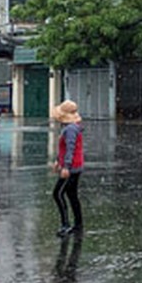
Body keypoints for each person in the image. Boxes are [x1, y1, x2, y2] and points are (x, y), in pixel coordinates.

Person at [50, 100, 85, 237]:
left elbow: (70, 149)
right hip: (75, 166)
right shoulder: (71, 127)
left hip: (71, 168)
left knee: (58, 194)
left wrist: (66, 167)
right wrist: (58, 160)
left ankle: (66, 224)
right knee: (71, 195)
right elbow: (64, 149)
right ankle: (78, 224)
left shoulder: (70, 129)